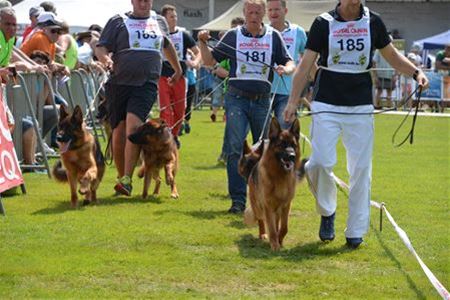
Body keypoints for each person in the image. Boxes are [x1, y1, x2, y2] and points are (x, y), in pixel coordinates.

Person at [283, 0, 429, 248]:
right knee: (319, 163)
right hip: (326, 104)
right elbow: (305, 65)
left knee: (361, 170)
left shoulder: (374, 21)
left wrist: (416, 73)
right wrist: (292, 102)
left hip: (360, 106)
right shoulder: (323, 23)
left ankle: (355, 231)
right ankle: (327, 211)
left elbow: (392, 56)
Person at [198, 0, 295, 213]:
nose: (253, 16)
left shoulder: (273, 36)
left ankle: (263, 194)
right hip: (236, 99)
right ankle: (238, 200)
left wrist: (285, 69)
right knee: (235, 147)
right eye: (250, 12)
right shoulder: (233, 36)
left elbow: (290, 62)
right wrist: (202, 43)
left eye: (258, 12)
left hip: (262, 100)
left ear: (264, 14)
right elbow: (208, 61)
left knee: (265, 149)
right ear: (244, 13)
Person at [95, 0, 182, 196]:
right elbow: (100, 48)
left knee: (134, 128)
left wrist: (177, 69)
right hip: (119, 84)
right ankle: (121, 176)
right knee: (119, 131)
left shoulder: (159, 21)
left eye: (147, 0)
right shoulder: (118, 21)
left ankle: (127, 180)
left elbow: (167, 46)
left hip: (146, 84)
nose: (143, 3)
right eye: (139, 0)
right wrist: (106, 59)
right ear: (133, 1)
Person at [159, 4, 200, 149]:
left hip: (180, 77)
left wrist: (195, 61)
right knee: (165, 108)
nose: (174, 19)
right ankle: (167, 135)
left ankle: (175, 134)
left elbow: (197, 50)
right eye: (171, 17)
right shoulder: (158, 34)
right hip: (162, 75)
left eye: (175, 16)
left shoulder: (183, 35)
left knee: (180, 109)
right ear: (164, 19)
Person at [267, 0, 307, 129]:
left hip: (288, 92)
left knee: (285, 134)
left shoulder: (298, 32)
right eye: (270, 10)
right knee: (262, 134)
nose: (273, 13)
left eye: (277, 9)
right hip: (264, 91)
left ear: (285, 11)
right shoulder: (263, 31)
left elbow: (308, 59)